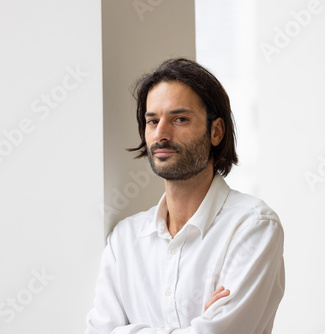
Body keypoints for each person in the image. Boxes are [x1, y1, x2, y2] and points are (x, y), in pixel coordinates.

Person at [85, 58, 285, 333]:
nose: (161, 134)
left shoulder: (253, 226)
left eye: (179, 119)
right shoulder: (124, 240)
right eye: (152, 120)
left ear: (216, 132)